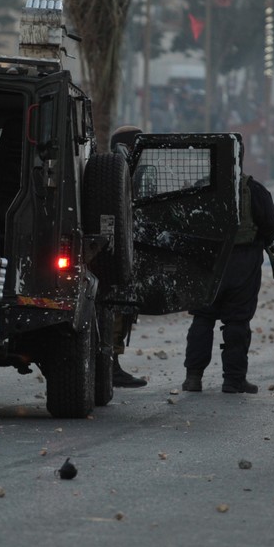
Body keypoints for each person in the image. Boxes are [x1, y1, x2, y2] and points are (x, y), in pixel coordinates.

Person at [182, 142, 274, 394]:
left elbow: (188, 223)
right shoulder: (254, 190)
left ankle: (193, 377)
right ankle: (233, 380)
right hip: (243, 263)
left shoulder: (202, 188)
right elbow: (271, 226)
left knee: (203, 318)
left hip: (209, 261)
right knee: (237, 321)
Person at [107, 125, 148, 388]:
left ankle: (110, 363)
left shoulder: (115, 167)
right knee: (117, 309)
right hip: (117, 253)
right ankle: (110, 365)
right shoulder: (119, 168)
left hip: (118, 251)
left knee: (121, 310)